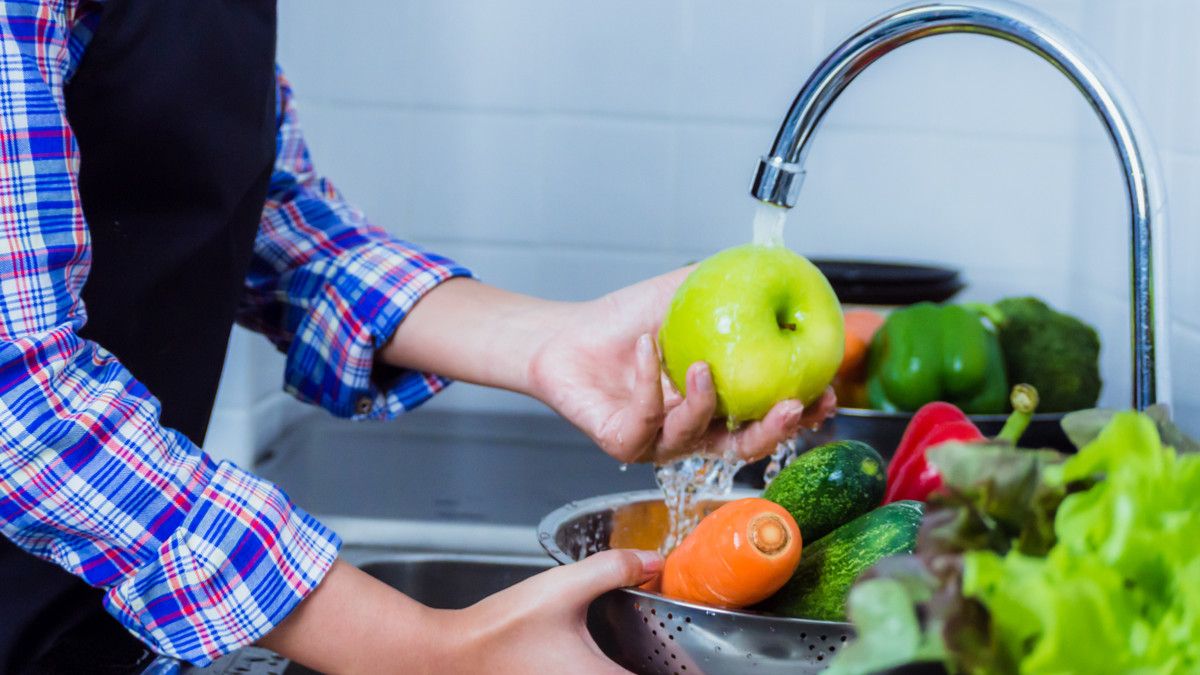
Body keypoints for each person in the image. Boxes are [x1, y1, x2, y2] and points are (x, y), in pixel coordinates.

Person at [0, 1, 835, 672]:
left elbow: (286, 230)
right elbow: (22, 404)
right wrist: (432, 649)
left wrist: (556, 344)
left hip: (116, 627)